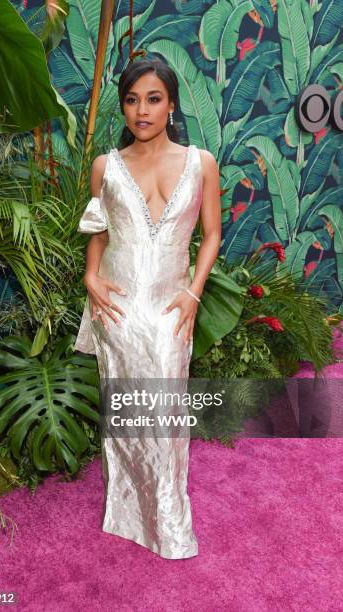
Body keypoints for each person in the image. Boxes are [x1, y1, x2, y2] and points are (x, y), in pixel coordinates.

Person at [74, 58, 221, 559]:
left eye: (153, 98)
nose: (142, 110)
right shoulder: (105, 167)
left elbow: (212, 234)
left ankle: (169, 523)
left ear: (171, 104)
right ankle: (126, 513)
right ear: (124, 105)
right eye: (133, 99)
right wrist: (91, 276)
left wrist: (194, 292)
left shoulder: (200, 162)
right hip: (116, 305)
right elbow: (98, 226)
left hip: (171, 304)